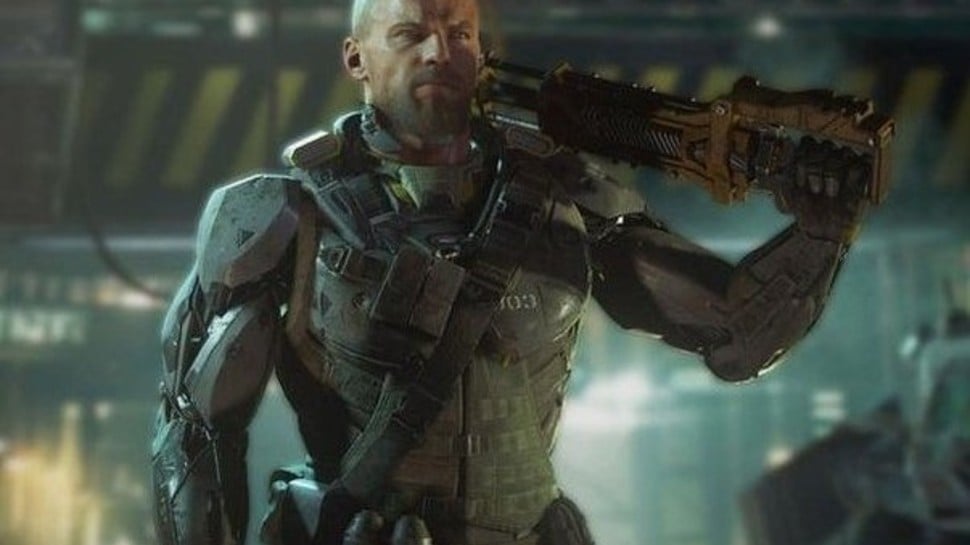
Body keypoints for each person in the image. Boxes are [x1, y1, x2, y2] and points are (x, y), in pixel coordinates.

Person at [150, 0, 876, 544]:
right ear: (356, 59)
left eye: (459, 34)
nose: (439, 51)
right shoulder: (284, 214)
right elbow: (195, 432)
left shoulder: (565, 196)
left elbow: (739, 336)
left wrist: (822, 232)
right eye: (409, 34)